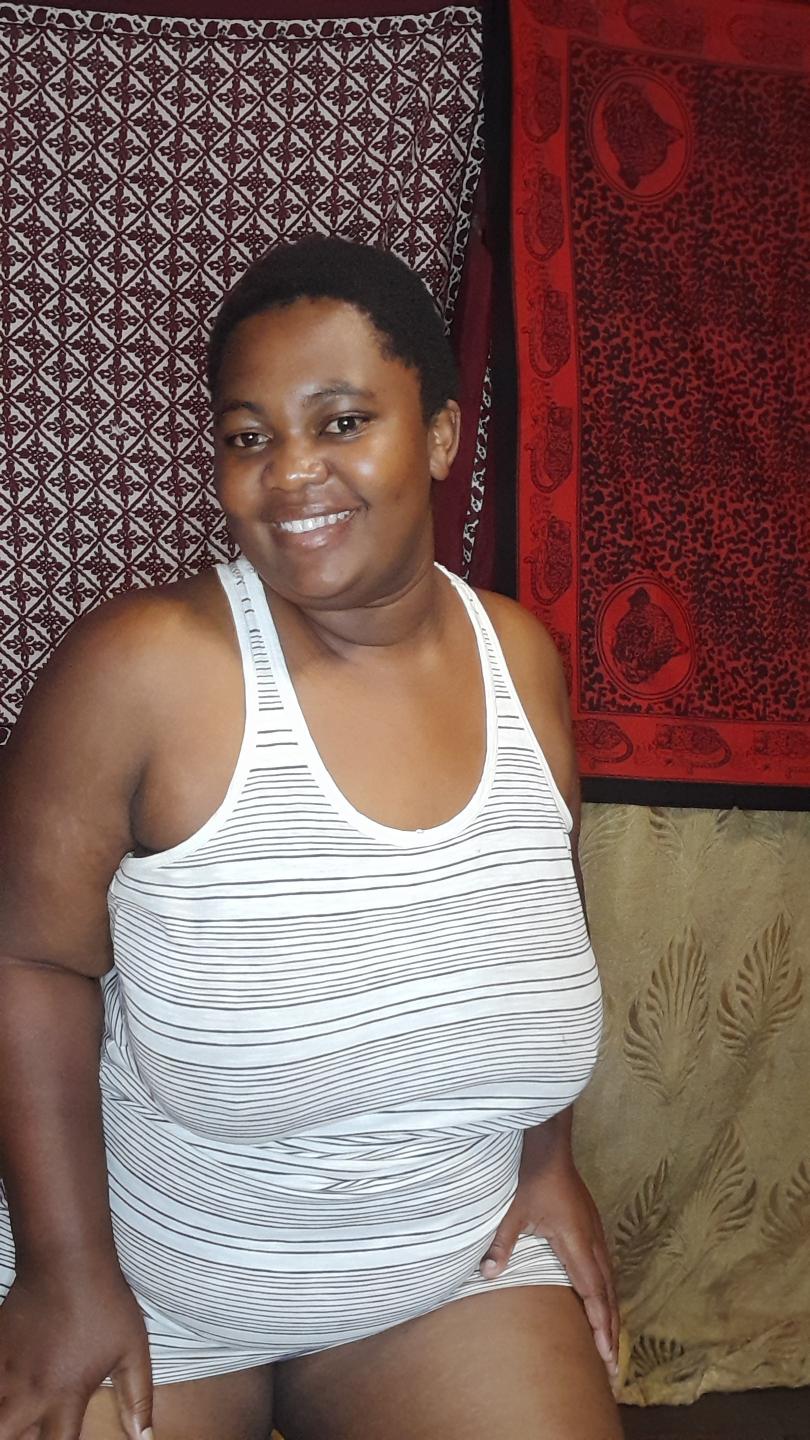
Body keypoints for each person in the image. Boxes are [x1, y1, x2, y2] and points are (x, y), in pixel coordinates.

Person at [0, 237, 622, 1440]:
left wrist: (547, 1158)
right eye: (249, 436)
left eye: (341, 422)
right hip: (150, 1285)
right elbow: (26, 959)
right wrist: (63, 1273)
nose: (289, 474)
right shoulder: (142, 671)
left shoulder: (520, 657)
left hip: (449, 1272)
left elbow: (537, 929)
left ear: (439, 436)